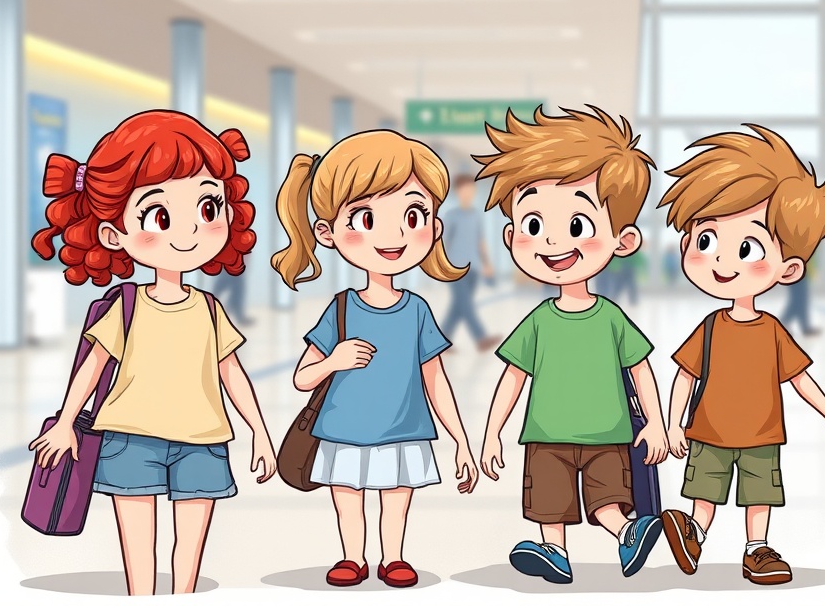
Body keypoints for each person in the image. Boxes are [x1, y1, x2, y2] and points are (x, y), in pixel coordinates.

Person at [29, 111, 277, 596]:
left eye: (209, 209)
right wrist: (64, 422)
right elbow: (92, 366)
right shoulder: (126, 307)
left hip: (204, 438)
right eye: (161, 217)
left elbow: (233, 374)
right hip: (129, 438)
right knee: (138, 547)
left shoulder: (209, 308)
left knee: (190, 545)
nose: (188, 234)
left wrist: (261, 433)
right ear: (112, 234)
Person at [657, 124, 825, 586]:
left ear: (789, 268)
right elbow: (684, 377)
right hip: (709, 431)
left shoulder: (772, 330)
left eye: (747, 248)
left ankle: (757, 550)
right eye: (706, 240)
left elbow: (798, 378)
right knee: (705, 494)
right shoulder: (711, 327)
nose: (722, 262)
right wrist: (675, 422)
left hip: (760, 434)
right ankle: (693, 533)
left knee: (759, 496)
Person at [271, 130, 478, 589]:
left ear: (434, 227)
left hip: (403, 429)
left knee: (396, 496)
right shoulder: (341, 309)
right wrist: (334, 361)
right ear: (326, 232)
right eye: (365, 217)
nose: (392, 235)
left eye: (413, 214)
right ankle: (351, 557)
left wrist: (461, 439)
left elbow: (435, 380)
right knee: (347, 495)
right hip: (343, 430)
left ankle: (394, 558)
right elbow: (304, 378)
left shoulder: (417, 311)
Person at [476, 106, 669, 585]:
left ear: (622, 240)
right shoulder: (540, 320)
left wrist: (658, 425)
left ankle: (628, 532)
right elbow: (514, 377)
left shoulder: (611, 318)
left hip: (609, 433)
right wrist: (491, 430)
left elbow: (641, 369)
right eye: (535, 225)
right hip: (548, 433)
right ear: (512, 236)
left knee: (605, 499)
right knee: (552, 503)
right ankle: (556, 554)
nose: (554, 242)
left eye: (578, 225)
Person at [440, 174, 501, 350]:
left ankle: (440, 342)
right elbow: (444, 243)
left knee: (459, 306)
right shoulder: (451, 215)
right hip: (455, 268)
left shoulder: (476, 215)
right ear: (458, 192)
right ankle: (481, 339)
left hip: (474, 268)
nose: (467, 192)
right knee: (465, 305)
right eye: (463, 189)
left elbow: (480, 241)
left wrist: (487, 264)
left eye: (470, 188)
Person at [779, 256, 820, 336]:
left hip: (798, 268)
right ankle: (784, 322)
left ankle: (805, 327)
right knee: (799, 299)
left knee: (801, 299)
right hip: (795, 268)